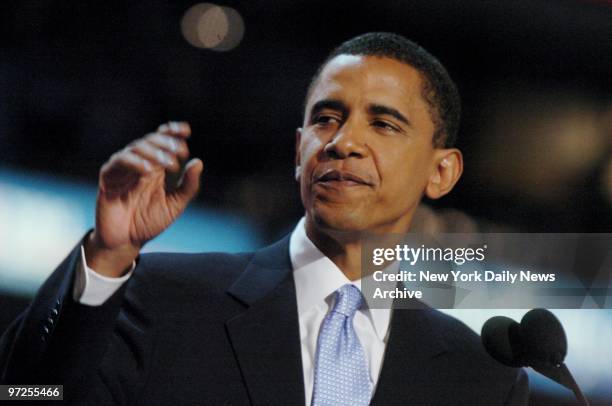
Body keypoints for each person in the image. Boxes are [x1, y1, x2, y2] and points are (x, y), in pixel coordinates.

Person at [0, 32, 528, 405]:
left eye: (384, 124)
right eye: (326, 118)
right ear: (300, 151)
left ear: (442, 171)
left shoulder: (479, 377)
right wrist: (108, 256)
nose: (343, 142)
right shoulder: (160, 297)